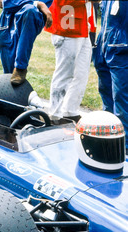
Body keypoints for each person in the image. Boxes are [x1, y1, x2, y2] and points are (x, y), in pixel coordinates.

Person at [45, 0, 94, 123]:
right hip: (67, 26)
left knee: (81, 74)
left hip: (82, 27)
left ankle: (70, 111)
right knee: (64, 74)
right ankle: (54, 115)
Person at [0, 0, 53, 85]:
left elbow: (36, 5)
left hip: (27, 19)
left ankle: (21, 67)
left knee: (30, 10)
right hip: (7, 19)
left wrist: (37, 4)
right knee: (8, 73)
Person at [93, 0, 128, 151]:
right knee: (106, 92)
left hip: (121, 44)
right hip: (104, 42)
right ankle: (110, 133)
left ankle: (124, 143)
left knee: (121, 96)